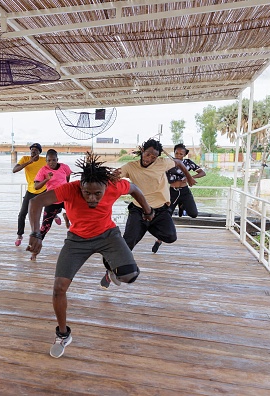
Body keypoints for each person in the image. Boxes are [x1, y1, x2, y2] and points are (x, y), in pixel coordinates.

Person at [26, 154, 153, 358]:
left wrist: (148, 211)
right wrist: (35, 233)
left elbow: (135, 189)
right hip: (77, 240)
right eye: (87, 193)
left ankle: (112, 269)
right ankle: (63, 335)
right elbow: (35, 202)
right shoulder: (70, 188)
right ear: (80, 186)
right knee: (58, 288)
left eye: (97, 194)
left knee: (130, 276)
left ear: (106, 188)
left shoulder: (114, 186)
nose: (92, 198)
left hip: (108, 235)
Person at [100, 138, 196, 288]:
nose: (149, 158)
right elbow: (116, 175)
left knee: (171, 237)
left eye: (153, 156)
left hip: (160, 210)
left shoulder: (163, 163)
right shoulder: (131, 167)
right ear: (142, 151)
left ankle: (147, 225)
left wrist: (189, 177)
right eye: (148, 154)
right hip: (138, 210)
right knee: (128, 243)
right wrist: (103, 179)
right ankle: (110, 269)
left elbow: (179, 162)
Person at [152, 143, 206, 253]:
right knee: (166, 216)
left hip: (185, 191)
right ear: (174, 152)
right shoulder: (168, 163)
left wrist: (189, 177)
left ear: (185, 154)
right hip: (172, 192)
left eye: (181, 154)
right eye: (176, 153)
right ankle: (159, 240)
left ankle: (182, 205)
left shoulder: (188, 163)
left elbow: (202, 172)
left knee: (194, 214)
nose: (178, 155)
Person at [30, 149, 72, 260]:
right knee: (45, 227)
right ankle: (35, 252)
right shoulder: (43, 170)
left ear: (57, 159)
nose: (51, 162)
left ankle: (67, 217)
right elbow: (36, 186)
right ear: (46, 161)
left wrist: (66, 186)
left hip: (65, 197)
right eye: (49, 160)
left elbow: (68, 177)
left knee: (77, 217)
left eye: (54, 160)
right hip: (52, 200)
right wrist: (46, 179)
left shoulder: (64, 167)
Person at [12, 143, 46, 247]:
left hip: (43, 190)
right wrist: (29, 162)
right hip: (31, 191)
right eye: (32, 149)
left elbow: (54, 168)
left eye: (36, 150)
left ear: (39, 152)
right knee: (22, 214)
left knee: (51, 208)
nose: (33, 151)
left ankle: (56, 214)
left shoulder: (44, 160)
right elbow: (14, 170)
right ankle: (19, 235)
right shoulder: (25, 158)